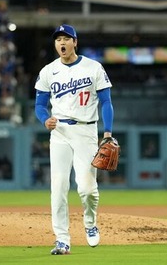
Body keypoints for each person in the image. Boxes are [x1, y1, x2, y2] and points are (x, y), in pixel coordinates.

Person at [34, 24, 114, 255]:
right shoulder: (48, 71)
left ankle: (90, 223)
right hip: (59, 132)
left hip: (86, 131)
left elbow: (106, 102)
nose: (62, 42)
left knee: (87, 189)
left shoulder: (93, 67)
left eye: (66, 38)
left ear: (75, 42)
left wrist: (107, 132)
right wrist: (44, 120)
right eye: (58, 39)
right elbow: (39, 105)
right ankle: (62, 240)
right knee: (58, 187)